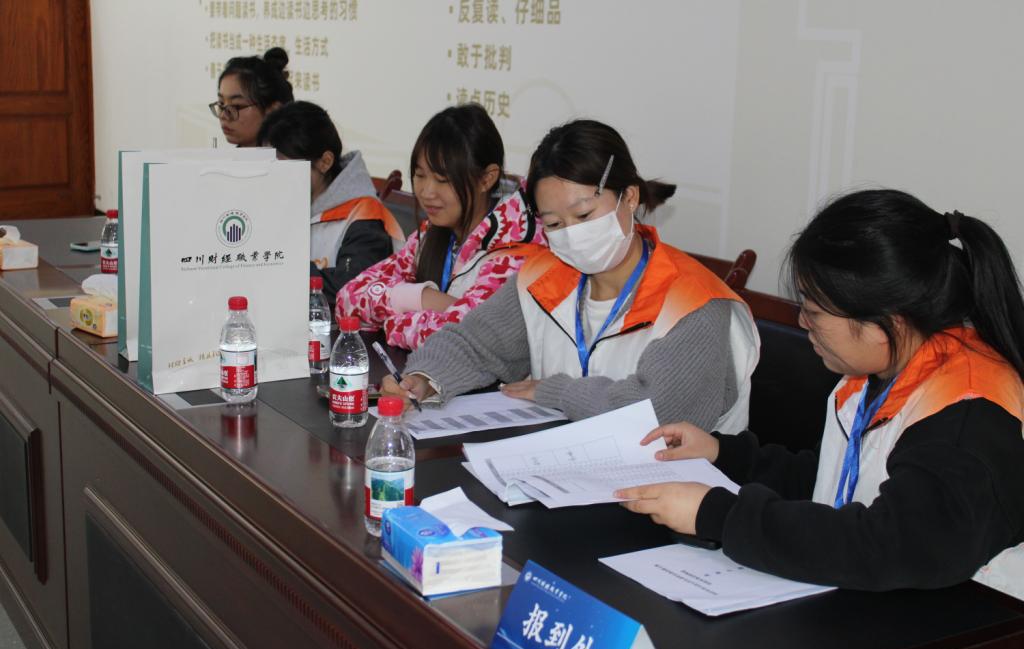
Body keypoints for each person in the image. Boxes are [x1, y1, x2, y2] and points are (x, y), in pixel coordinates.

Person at [617, 189, 1024, 597]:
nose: (802, 323)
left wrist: (718, 516)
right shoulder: (879, 369)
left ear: (887, 323)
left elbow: (888, 545)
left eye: (813, 312)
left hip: (979, 621)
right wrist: (723, 456)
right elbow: (830, 479)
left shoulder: (967, 413)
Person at [384, 119, 759, 429]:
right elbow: (476, 344)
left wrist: (559, 393)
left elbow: (657, 413)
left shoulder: (693, 300)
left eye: (583, 215)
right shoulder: (545, 277)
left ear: (629, 197)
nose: (572, 235)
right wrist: (424, 379)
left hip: (672, 487)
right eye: (554, 223)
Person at [338, 103, 545, 349]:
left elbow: (468, 335)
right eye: (420, 175)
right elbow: (349, 297)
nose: (427, 192)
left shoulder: (517, 244)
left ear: (487, 179)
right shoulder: (432, 233)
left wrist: (394, 322)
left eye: (442, 180)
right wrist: (425, 298)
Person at [258, 101, 403, 300]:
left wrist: (279, 267)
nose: (276, 178)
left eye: (286, 169)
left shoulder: (365, 217)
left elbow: (351, 288)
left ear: (325, 162)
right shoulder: (286, 201)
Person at [210, 47, 294, 148]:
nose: (223, 115)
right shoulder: (220, 158)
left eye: (236, 106)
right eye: (221, 104)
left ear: (273, 111)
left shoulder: (294, 157)